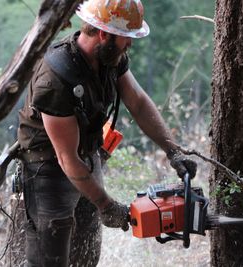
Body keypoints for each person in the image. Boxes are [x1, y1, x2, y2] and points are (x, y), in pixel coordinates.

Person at [17, 0, 197, 266]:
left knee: (86, 253)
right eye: (126, 38)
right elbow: (66, 159)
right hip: (48, 170)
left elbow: (137, 101)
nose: (130, 45)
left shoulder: (110, 57)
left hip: (87, 156)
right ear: (104, 34)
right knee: (51, 257)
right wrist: (107, 204)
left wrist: (173, 151)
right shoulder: (56, 78)